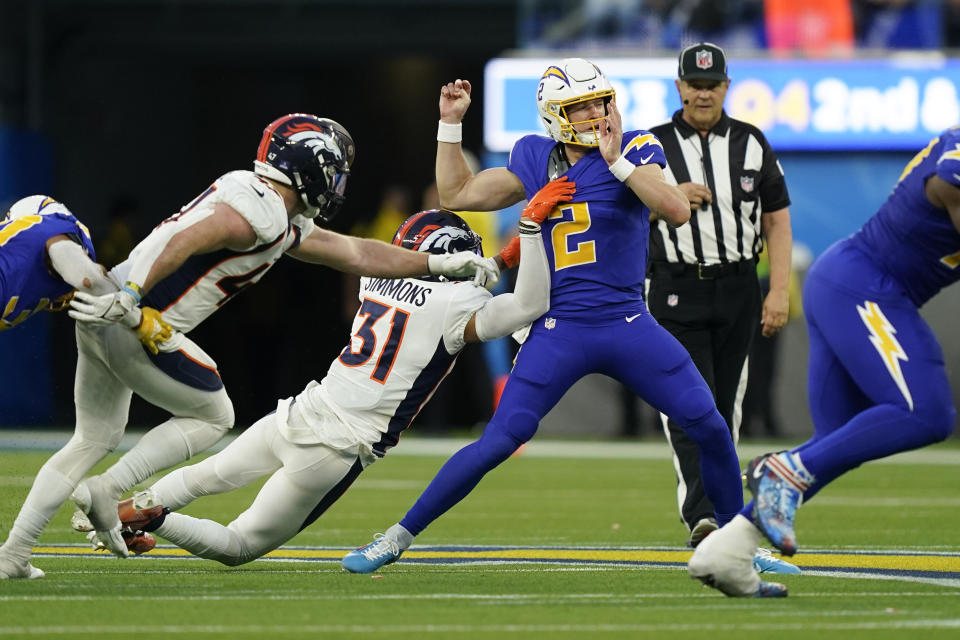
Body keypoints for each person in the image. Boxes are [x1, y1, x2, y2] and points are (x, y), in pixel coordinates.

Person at [0, 113, 497, 579]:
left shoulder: (274, 209)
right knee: (214, 416)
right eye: (334, 171)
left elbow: (353, 251)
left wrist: (434, 266)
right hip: (137, 320)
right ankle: (107, 491)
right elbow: (190, 237)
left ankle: (15, 553)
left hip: (107, 312)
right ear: (310, 168)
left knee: (91, 438)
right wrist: (132, 297)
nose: (338, 182)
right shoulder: (262, 212)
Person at [342, 58, 753, 586]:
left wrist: (617, 163)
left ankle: (736, 543)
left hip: (628, 321)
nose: (598, 112)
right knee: (499, 439)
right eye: (582, 105)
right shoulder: (535, 157)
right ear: (555, 114)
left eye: (601, 100)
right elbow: (456, 195)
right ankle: (395, 537)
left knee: (710, 424)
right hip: (560, 329)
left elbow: (674, 209)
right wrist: (450, 125)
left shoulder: (635, 147)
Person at [82, 207, 552, 566]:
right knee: (240, 546)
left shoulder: (376, 277)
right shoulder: (461, 301)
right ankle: (154, 518)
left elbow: (417, 283)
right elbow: (529, 304)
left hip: (300, 410)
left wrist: (488, 260)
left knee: (208, 475)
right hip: (339, 446)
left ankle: (126, 508)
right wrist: (529, 234)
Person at [688, 127, 960, 597]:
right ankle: (778, 471)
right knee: (926, 412)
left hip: (849, 282)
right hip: (865, 287)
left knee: (831, 448)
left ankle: (727, 551)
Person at [646, 43, 795, 569]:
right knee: (688, 403)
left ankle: (722, 512)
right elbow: (620, 213)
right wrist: (667, 195)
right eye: (694, 83)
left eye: (712, 84)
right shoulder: (652, 146)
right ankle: (703, 514)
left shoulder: (752, 143)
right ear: (680, 86)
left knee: (726, 404)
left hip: (737, 285)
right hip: (674, 286)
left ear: (726, 87)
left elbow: (777, 219)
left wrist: (778, 289)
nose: (703, 92)